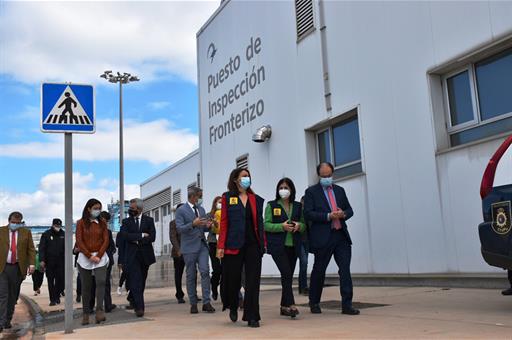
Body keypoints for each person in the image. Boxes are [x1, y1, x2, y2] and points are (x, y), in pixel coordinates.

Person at [304, 162, 359, 316]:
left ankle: (347, 305)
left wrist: (344, 214)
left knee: (345, 270)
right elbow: (308, 214)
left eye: (329, 175)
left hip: (341, 236)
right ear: (319, 175)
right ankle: (314, 301)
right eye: (324, 176)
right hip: (323, 237)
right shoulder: (311, 192)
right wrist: (327, 216)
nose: (327, 178)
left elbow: (350, 210)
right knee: (319, 270)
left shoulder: (340, 191)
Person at [217, 168, 266, 328]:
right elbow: (224, 223)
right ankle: (232, 305)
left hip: (253, 244)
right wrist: (221, 245)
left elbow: (260, 223)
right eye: (244, 176)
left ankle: (252, 316)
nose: (247, 179)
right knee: (233, 279)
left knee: (253, 281)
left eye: (248, 176)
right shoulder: (227, 197)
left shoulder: (255, 199)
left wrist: (263, 244)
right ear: (235, 179)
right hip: (233, 244)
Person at [264, 178, 305, 318]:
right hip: (277, 246)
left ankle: (283, 306)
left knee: (287, 276)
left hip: (293, 246)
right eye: (281, 187)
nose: (283, 190)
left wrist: (299, 226)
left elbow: (305, 225)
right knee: (287, 273)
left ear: (291, 189)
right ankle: (291, 304)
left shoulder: (298, 206)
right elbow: (266, 225)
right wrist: (281, 226)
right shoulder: (271, 205)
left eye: (286, 187)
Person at [176, 187, 215, 314]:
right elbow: (179, 229)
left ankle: (206, 302)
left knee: (205, 272)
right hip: (189, 248)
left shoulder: (201, 209)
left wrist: (208, 226)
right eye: (200, 196)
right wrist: (193, 223)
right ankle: (193, 303)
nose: (201, 198)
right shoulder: (181, 210)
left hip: (202, 245)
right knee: (191, 275)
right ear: (193, 197)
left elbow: (202, 228)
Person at [119, 198, 156, 318]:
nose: (130, 210)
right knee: (136, 280)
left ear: (140, 209)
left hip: (145, 255)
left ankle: (134, 299)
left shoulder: (149, 220)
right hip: (132, 256)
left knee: (142, 281)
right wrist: (141, 235)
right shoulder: (126, 222)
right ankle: (140, 308)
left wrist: (135, 238)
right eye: (130, 208)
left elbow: (152, 237)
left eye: (133, 208)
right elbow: (125, 236)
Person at [76, 199, 110, 325]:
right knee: (86, 286)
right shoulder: (80, 223)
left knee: (101, 281)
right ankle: (85, 313)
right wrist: (89, 255)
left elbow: (106, 240)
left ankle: (99, 311)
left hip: (100, 256)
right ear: (88, 209)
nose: (98, 210)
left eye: (99, 208)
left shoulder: (102, 223)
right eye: (95, 208)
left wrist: (99, 255)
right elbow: (79, 240)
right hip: (85, 257)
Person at [0, 212, 36, 333]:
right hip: (2, 267)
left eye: (18, 223)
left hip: (17, 268)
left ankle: (7, 320)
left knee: (13, 296)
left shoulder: (26, 232)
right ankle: (0, 322)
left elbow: (31, 249)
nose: (15, 224)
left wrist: (32, 264)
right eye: (13, 222)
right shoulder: (1, 231)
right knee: (3, 295)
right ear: (9, 220)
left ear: (21, 222)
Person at [39, 218, 65, 306]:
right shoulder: (46, 234)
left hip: (61, 262)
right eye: (56, 226)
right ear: (53, 225)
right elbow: (42, 248)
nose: (58, 227)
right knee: (50, 281)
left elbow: (66, 248)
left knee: (60, 280)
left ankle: (57, 295)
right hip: (49, 262)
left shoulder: (63, 234)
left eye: (59, 226)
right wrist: (42, 260)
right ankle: (52, 299)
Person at [100, 211, 117, 313]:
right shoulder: (91, 231)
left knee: (106, 283)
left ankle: (107, 305)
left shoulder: (108, 232)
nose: (104, 222)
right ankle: (93, 305)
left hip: (106, 261)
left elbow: (112, 247)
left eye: (105, 221)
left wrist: (108, 253)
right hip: (96, 260)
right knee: (96, 283)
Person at [206, 196, 222, 301]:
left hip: (224, 244)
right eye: (218, 202)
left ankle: (225, 293)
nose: (220, 204)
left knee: (225, 269)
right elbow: (206, 227)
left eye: (222, 202)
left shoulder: (227, 214)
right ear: (215, 203)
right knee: (217, 269)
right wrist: (211, 225)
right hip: (213, 243)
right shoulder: (210, 215)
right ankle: (214, 287)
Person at [169, 203, 186, 304]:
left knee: (193, 273)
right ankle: (179, 295)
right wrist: (178, 250)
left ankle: (194, 294)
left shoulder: (190, 222)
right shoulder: (173, 223)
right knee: (178, 274)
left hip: (190, 251)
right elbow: (173, 237)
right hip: (178, 253)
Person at [298, 196, 309, 296]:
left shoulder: (308, 213)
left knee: (304, 264)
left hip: (306, 241)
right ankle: (303, 287)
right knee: (304, 262)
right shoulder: (298, 212)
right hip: (299, 241)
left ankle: (302, 287)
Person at [115, 232, 127, 296]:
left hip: (128, 255)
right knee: (124, 272)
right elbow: (117, 244)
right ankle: (120, 287)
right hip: (122, 255)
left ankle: (127, 288)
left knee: (128, 272)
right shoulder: (120, 234)